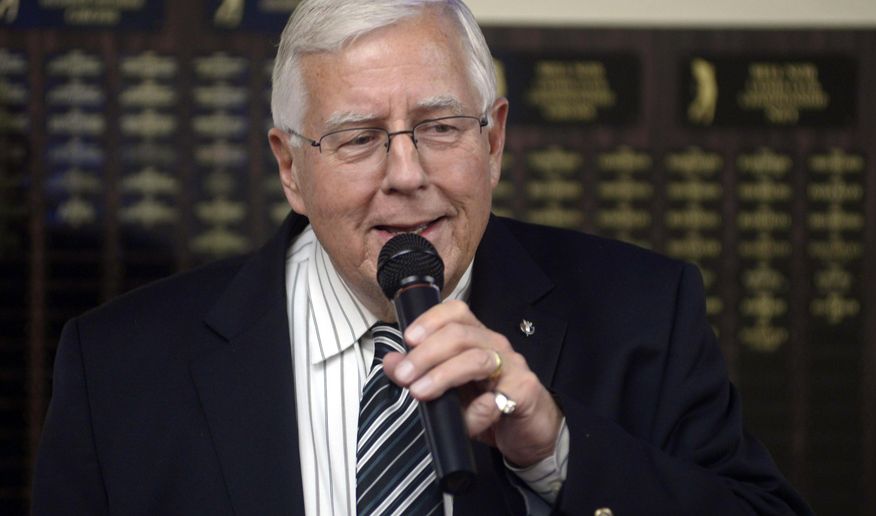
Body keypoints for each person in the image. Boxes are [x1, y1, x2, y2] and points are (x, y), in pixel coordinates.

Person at [33, 1, 812, 514]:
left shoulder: (645, 309)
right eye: (359, 138)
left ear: (494, 139)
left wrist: (557, 454)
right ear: (288, 167)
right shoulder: (118, 366)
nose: (407, 175)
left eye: (440, 128)